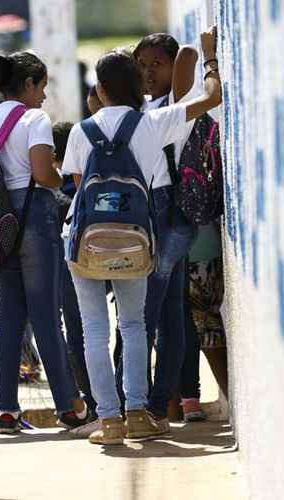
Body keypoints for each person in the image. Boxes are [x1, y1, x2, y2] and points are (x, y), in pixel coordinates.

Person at [60, 27, 222, 445]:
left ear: (99, 87)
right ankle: (137, 413)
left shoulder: (81, 132)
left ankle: (108, 420)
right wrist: (210, 59)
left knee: (93, 329)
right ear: (137, 84)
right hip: (137, 240)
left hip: (86, 242)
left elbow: (78, 185)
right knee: (134, 326)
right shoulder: (153, 123)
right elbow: (210, 98)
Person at [0, 52, 87, 434]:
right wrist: (64, 179)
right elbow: (43, 174)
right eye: (41, 86)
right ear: (27, 85)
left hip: (0, 226)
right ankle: (69, 407)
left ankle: (6, 409)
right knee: (45, 317)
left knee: (9, 317)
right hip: (35, 221)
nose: (43, 95)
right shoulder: (34, 119)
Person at [133, 32, 221, 427]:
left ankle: (173, 400)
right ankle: (175, 400)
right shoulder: (145, 112)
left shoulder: (174, 105)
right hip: (159, 217)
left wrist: (207, 56)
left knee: (164, 313)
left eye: (156, 64)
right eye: (140, 66)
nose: (148, 73)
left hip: (173, 217)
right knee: (169, 312)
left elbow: (184, 53)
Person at [51, 121, 99, 436]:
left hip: (73, 256)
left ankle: (94, 405)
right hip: (104, 248)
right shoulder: (91, 169)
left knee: (79, 333)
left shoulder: (56, 183)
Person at [179, 220, 228, 421]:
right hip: (208, 247)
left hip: (177, 249)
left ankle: (178, 408)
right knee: (209, 328)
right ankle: (230, 397)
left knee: (172, 331)